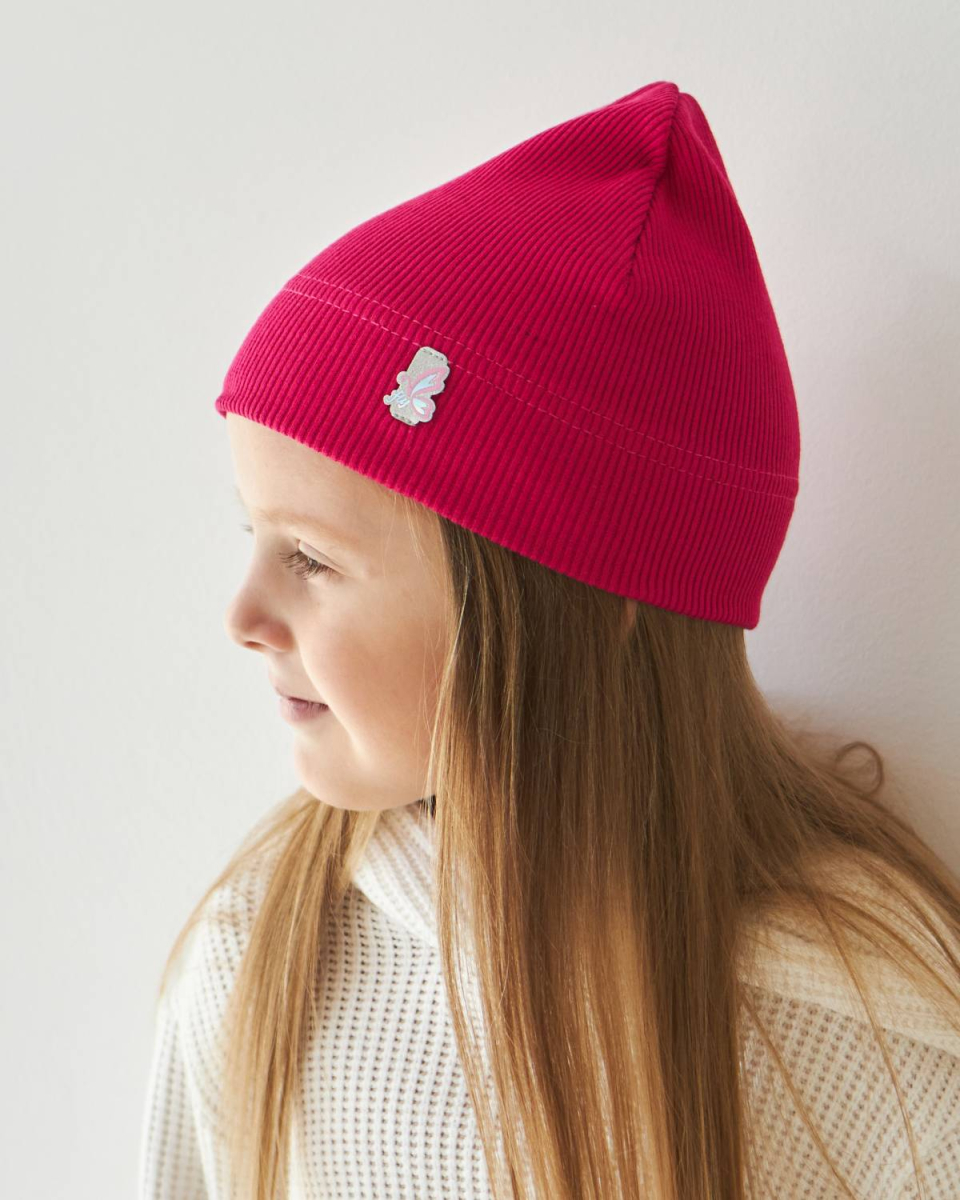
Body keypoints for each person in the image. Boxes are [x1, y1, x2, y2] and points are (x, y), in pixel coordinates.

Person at [137, 80, 960, 1199]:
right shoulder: (261, 960)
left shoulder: (881, 1057)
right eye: (255, 536)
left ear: (581, 606)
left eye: (313, 560)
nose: (242, 619)